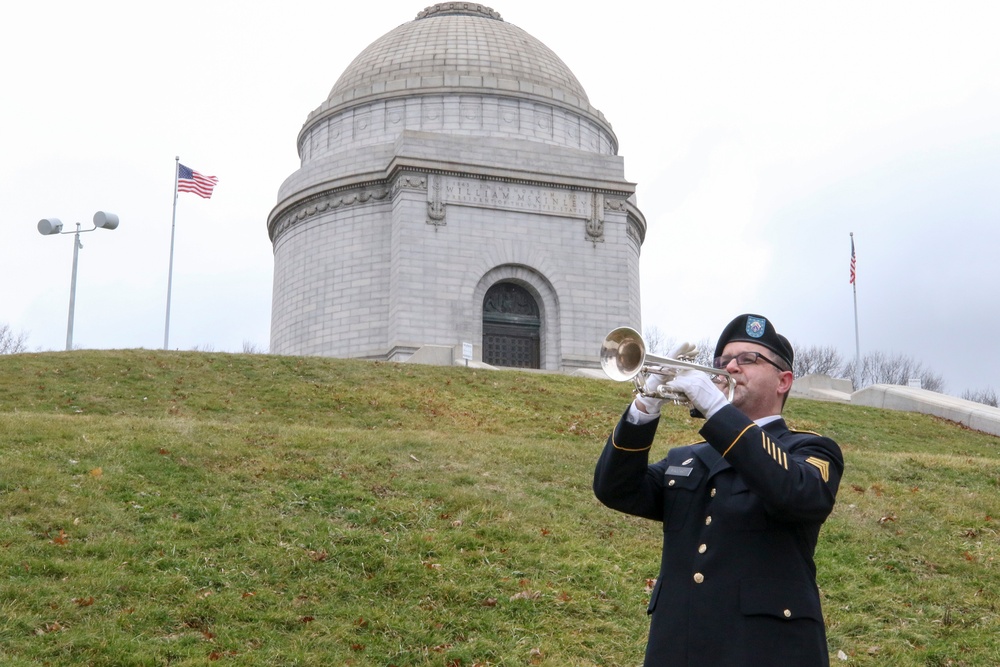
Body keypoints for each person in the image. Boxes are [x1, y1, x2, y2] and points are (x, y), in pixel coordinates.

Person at [594, 314, 844, 667]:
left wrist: (716, 409)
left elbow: (797, 493)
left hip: (767, 651)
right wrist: (644, 407)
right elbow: (615, 489)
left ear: (783, 381)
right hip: (678, 648)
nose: (731, 367)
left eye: (747, 359)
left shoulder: (811, 450)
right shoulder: (687, 457)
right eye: (723, 361)